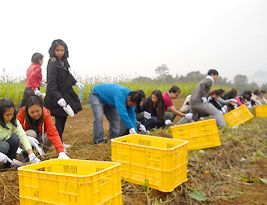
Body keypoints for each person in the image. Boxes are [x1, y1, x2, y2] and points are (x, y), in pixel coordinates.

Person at [44, 39, 83, 147]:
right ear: (53, 50)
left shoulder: (64, 61)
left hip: (65, 94)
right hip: (56, 96)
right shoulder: (52, 63)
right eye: (58, 50)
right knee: (58, 121)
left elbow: (67, 75)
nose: (60, 52)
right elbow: (51, 83)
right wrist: (59, 98)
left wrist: (75, 82)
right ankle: (57, 144)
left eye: (62, 50)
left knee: (62, 120)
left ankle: (60, 142)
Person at [0, 99, 40, 168]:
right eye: (7, 115)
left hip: (3, 142)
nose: (10, 117)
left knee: (14, 138)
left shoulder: (13, 121)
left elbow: (22, 135)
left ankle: (9, 163)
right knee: (4, 146)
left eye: (12, 114)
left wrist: (30, 153)